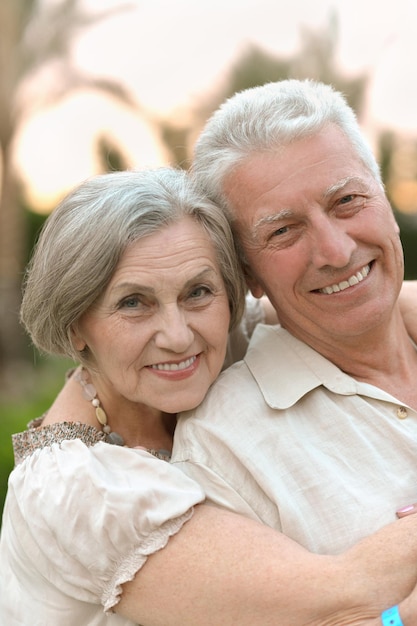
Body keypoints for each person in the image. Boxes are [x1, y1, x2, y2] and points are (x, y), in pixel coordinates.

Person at [2, 167, 417, 626]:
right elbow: (346, 596)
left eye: (197, 291)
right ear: (76, 323)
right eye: (133, 303)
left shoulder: (218, 338)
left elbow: (365, 304)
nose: (179, 337)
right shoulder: (79, 491)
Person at [170, 78, 417, 625]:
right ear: (248, 274)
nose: (335, 250)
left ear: (384, 197)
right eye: (283, 231)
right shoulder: (223, 448)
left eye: (347, 200)